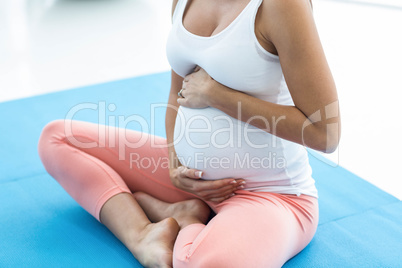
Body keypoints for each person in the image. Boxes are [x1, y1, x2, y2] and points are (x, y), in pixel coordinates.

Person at [38, 0, 340, 267]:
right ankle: (143, 234)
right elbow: (177, 94)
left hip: (269, 195)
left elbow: (324, 133)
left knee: (202, 264)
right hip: (191, 182)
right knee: (58, 139)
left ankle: (189, 221)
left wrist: (217, 95)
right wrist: (174, 165)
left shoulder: (281, 5)